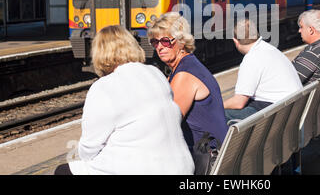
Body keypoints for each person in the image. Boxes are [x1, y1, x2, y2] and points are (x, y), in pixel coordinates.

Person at [55, 25, 194, 175]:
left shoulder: (103, 87)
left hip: (142, 170)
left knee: (63, 171)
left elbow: (88, 150)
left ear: (100, 53)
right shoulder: (156, 73)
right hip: (183, 168)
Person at [147, 12, 228, 151]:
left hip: (207, 155)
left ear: (181, 41)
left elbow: (168, 124)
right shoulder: (186, 66)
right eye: (155, 42)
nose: (160, 47)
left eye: (166, 41)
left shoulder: (184, 75)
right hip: (212, 149)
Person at [223, 18, 303, 122]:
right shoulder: (269, 49)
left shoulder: (251, 59)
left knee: (220, 114)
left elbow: (238, 102)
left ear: (235, 41)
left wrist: (218, 106)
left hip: (278, 115)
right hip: (292, 109)